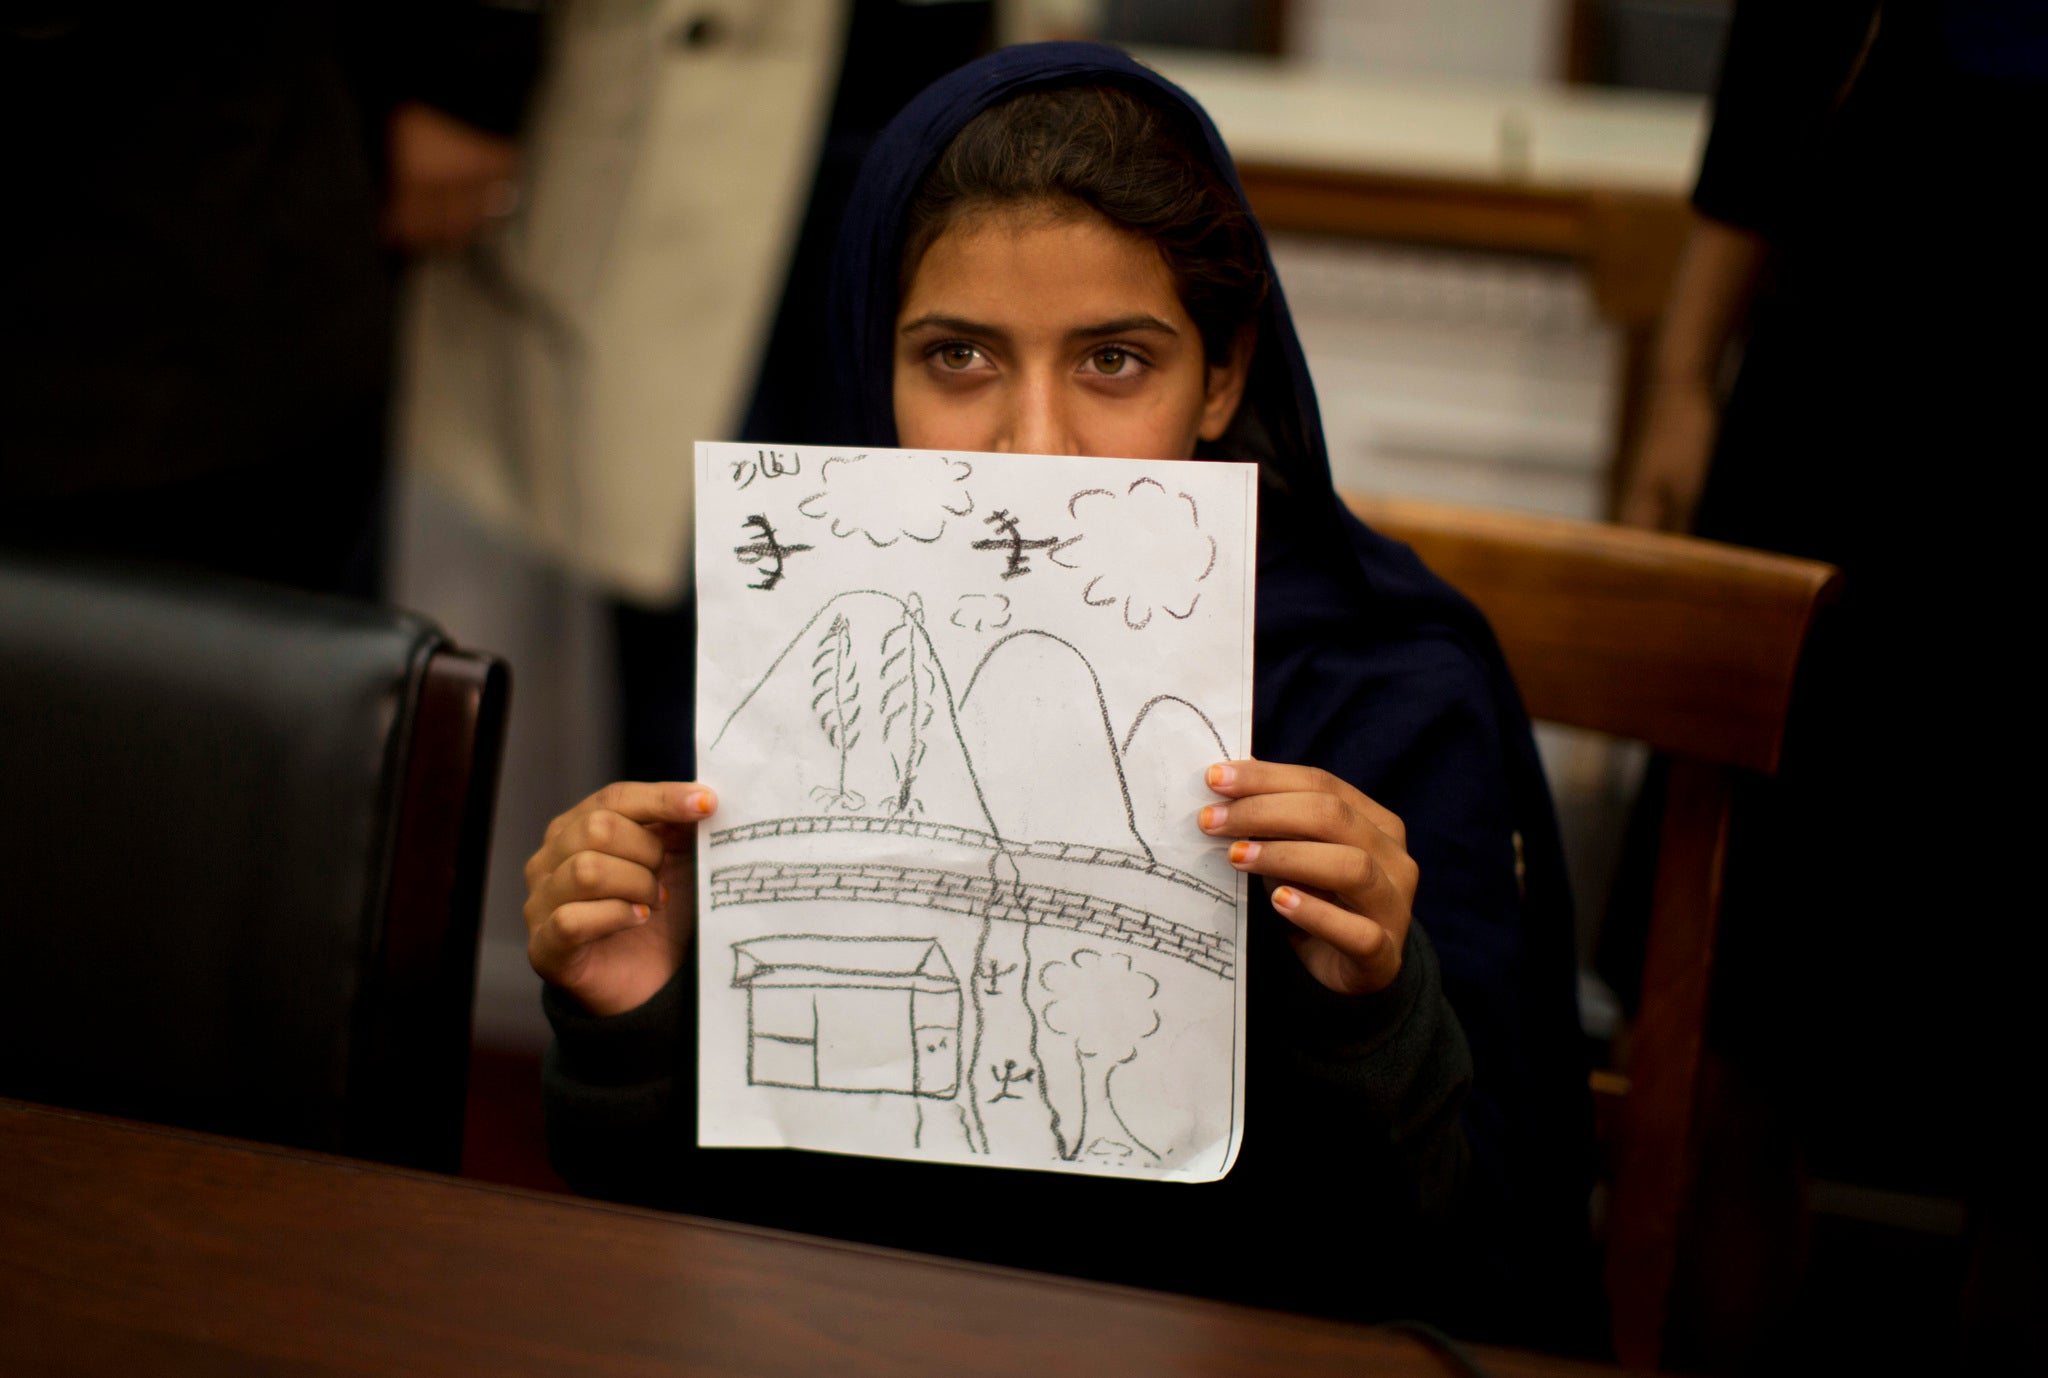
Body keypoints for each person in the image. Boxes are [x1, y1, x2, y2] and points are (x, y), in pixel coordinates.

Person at [525, 43, 1595, 1348]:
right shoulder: (809, 672)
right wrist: (632, 1016)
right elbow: (675, 1209)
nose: (1033, 444)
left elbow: (1463, 1247)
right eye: (960, 357)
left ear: (1223, 372)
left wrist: (1372, 1005)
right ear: (876, 366)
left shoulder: (1390, 697)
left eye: (1114, 363)